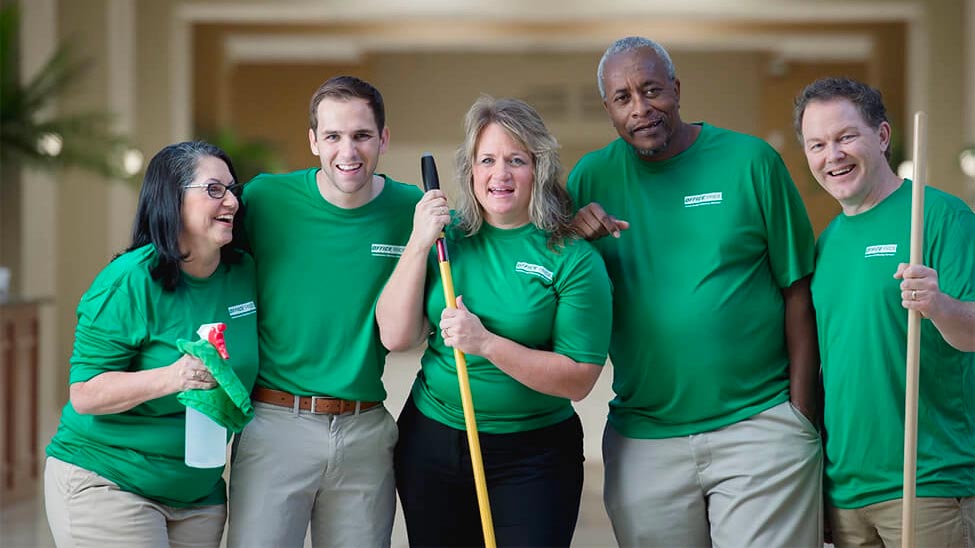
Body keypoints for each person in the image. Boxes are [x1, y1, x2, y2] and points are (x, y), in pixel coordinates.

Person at [566, 36, 823, 547]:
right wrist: (572, 237)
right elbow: (560, 292)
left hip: (759, 425)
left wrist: (800, 417)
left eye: (651, 90)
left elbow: (799, 290)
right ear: (608, 108)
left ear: (677, 89)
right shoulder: (590, 179)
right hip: (645, 437)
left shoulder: (751, 162)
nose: (641, 109)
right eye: (623, 98)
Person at [376, 95, 613, 547]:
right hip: (433, 442)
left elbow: (579, 378)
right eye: (487, 160)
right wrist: (418, 242)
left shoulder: (573, 258)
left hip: (534, 456)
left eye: (516, 160)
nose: (499, 174)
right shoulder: (445, 237)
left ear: (538, 168)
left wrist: (485, 343)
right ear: (470, 170)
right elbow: (396, 336)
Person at [227, 75, 422, 548]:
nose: (347, 151)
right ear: (313, 141)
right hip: (275, 424)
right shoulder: (265, 199)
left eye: (361, 135)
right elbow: (196, 243)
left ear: (383, 138)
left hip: (365, 430)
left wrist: (571, 228)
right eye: (333, 136)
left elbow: (491, 242)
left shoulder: (412, 210)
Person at [44, 141, 258, 548]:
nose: (231, 201)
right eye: (214, 189)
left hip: (199, 494)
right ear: (172, 199)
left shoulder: (244, 273)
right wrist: (174, 377)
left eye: (233, 189)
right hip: (110, 481)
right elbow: (85, 394)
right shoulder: (129, 281)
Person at [795, 77, 975, 547]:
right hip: (846, 491)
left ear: (882, 136)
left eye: (846, 137)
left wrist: (939, 305)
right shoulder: (827, 243)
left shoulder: (939, 216)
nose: (832, 155)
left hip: (928, 483)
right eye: (817, 144)